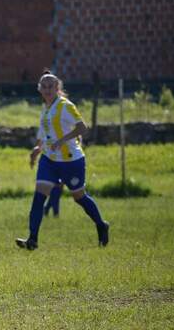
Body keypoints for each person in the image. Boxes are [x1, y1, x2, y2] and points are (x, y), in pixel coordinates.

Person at [16, 71, 109, 250]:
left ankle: (101, 224)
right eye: (44, 86)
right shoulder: (45, 108)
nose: (48, 89)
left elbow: (82, 128)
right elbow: (45, 134)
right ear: (39, 89)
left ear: (57, 88)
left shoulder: (66, 106)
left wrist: (62, 140)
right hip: (49, 160)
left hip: (71, 161)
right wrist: (37, 149)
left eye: (51, 86)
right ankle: (32, 240)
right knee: (38, 198)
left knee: (79, 197)